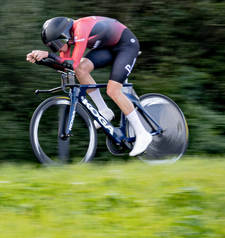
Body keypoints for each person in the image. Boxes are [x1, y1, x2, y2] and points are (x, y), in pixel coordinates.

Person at [25, 16, 151, 156]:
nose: (57, 48)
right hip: (107, 48)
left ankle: (142, 134)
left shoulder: (80, 28)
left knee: (113, 90)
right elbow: (66, 66)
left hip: (126, 45)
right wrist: (42, 61)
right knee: (80, 70)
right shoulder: (68, 39)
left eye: (56, 44)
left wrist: (48, 55)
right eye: (52, 47)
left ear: (64, 34)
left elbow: (73, 63)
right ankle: (104, 111)